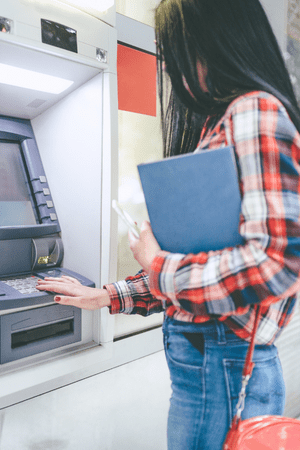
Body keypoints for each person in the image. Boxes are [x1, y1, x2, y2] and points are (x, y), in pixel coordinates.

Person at [37, 0, 300, 449]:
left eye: (175, 51)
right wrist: (109, 295)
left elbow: (275, 262)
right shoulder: (223, 122)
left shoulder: (254, 112)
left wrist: (158, 265)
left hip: (225, 365)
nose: (171, 71)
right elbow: (204, 259)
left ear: (213, 41)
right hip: (218, 363)